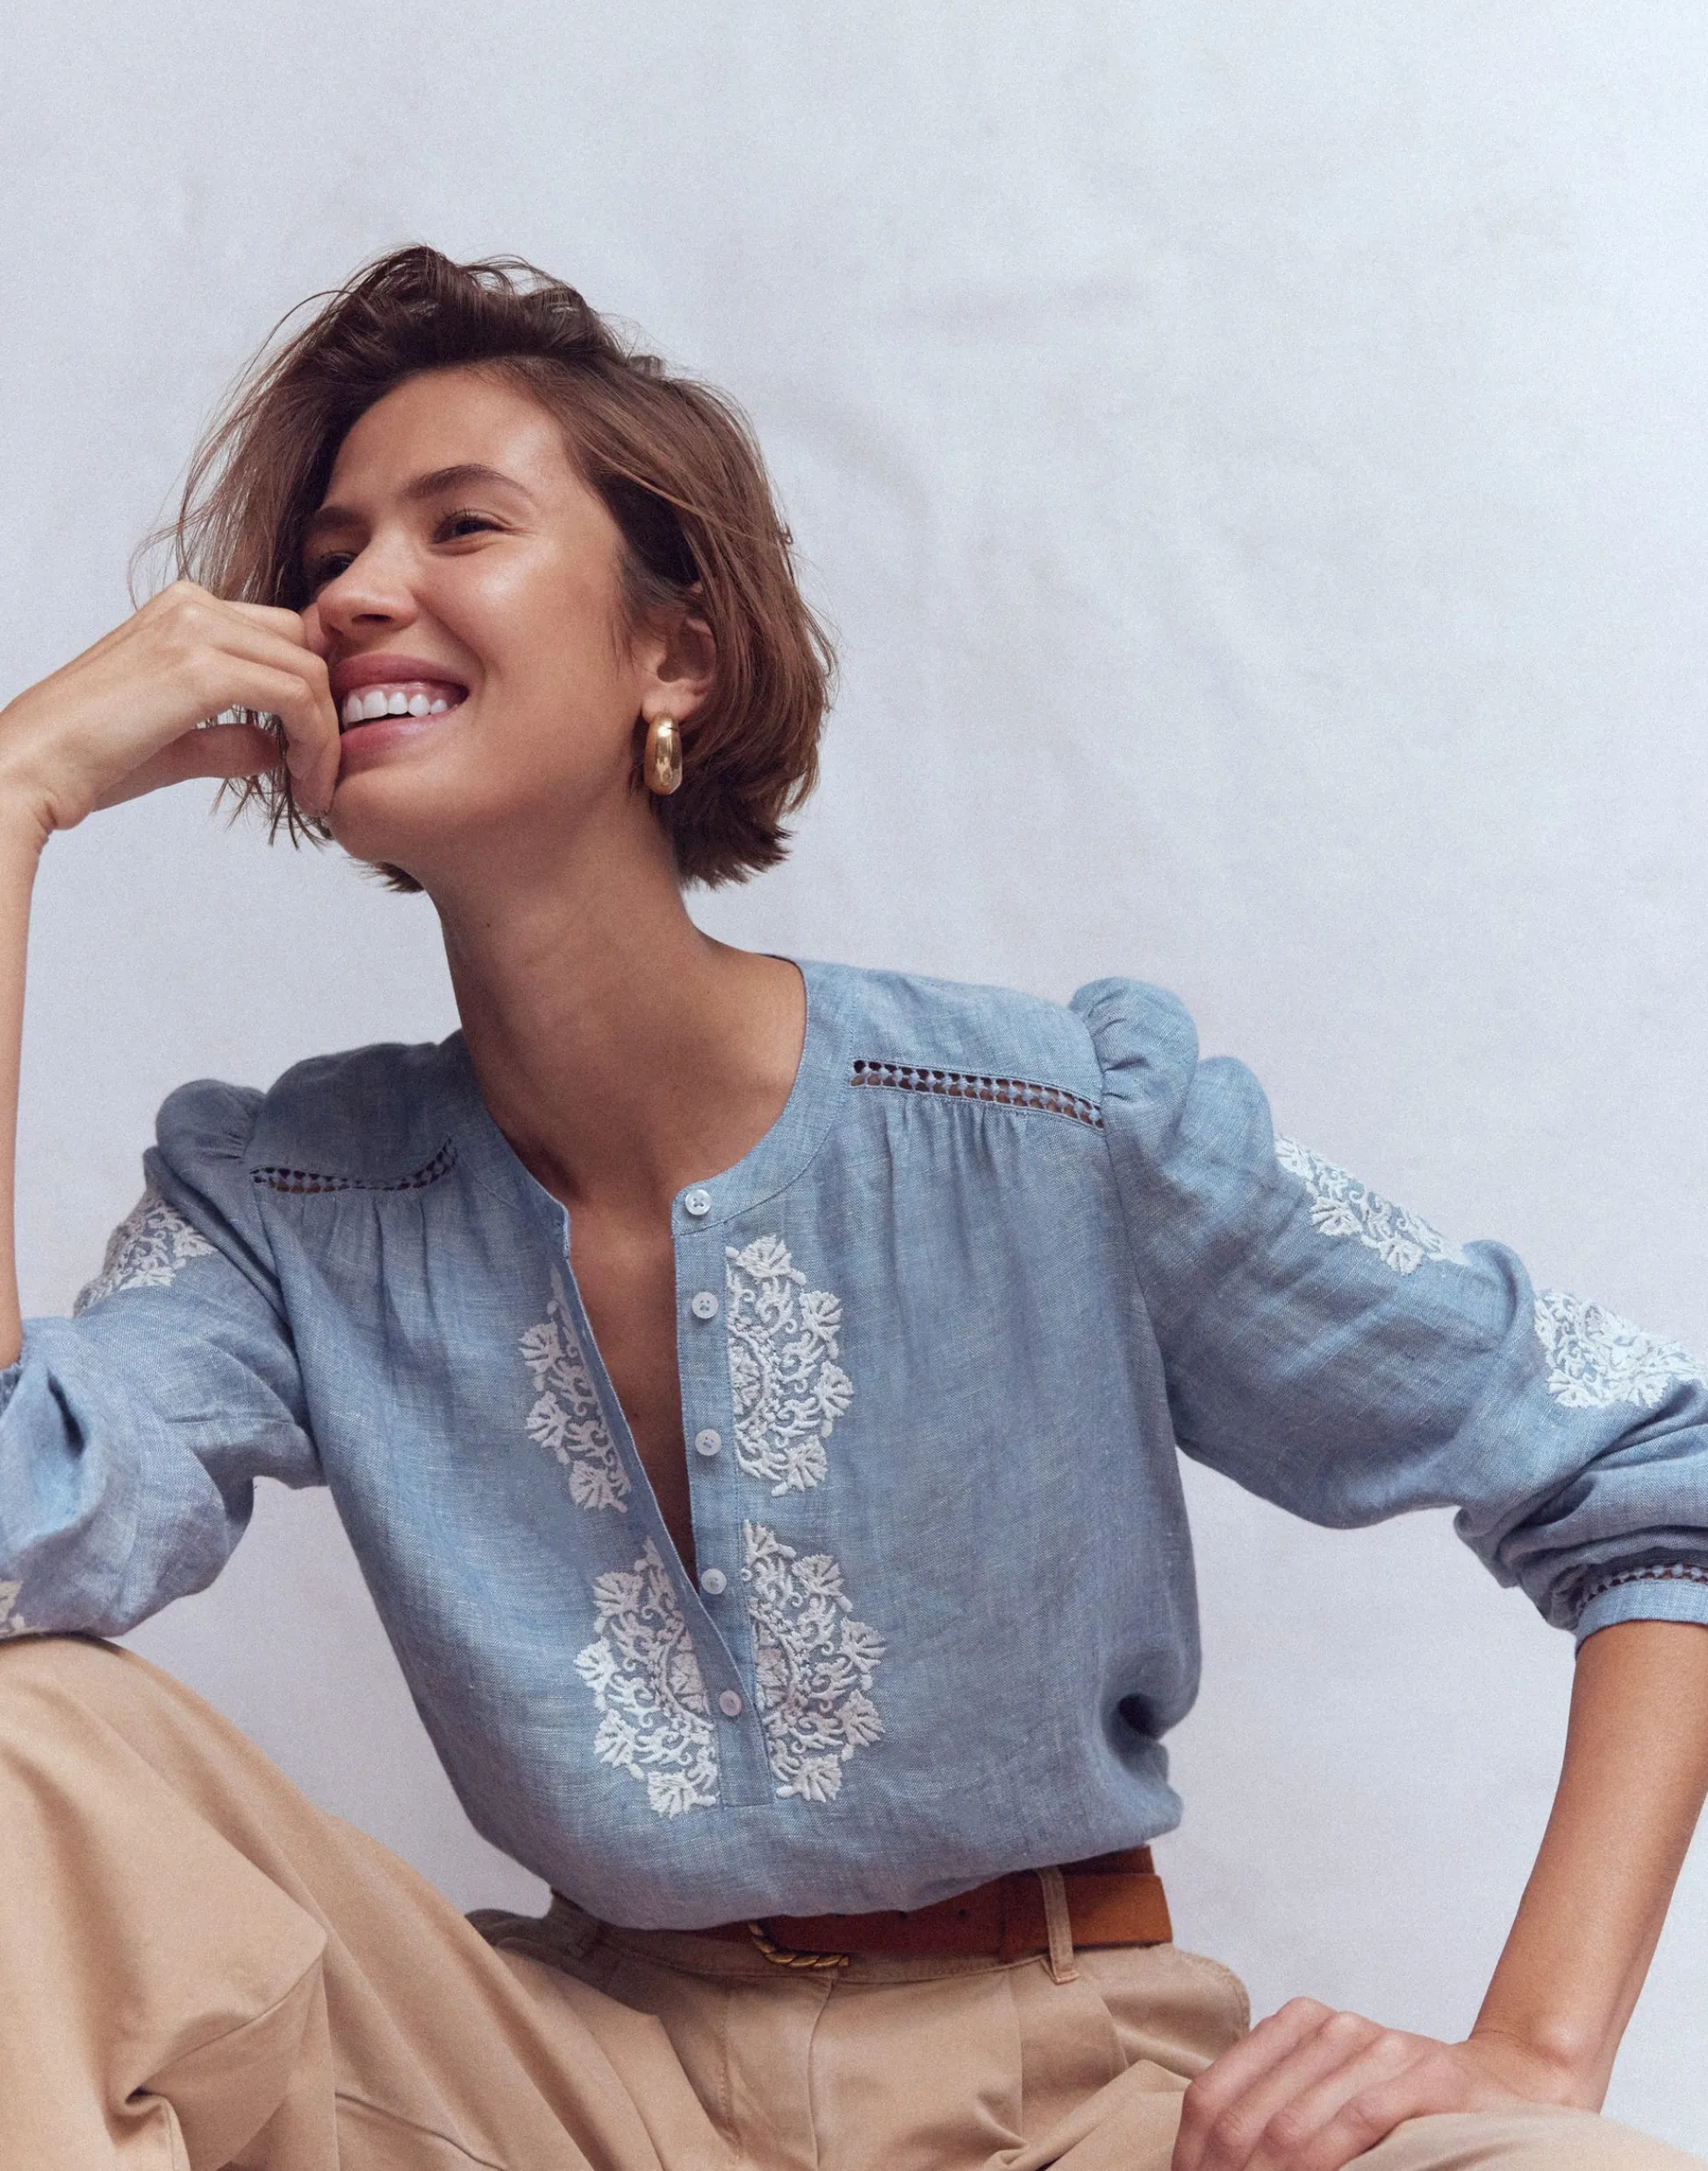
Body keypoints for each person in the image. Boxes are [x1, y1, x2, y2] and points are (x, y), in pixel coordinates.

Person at [0, 247, 1704, 2171]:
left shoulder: (1049, 1127)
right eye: (330, 555)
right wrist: (12, 795)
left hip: (1066, 2097)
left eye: (460, 525)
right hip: (551, 2096)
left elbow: (1652, 1465)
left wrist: (1535, 2045)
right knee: (19, 1741)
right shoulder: (291, 1198)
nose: (354, 592)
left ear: (677, 655)